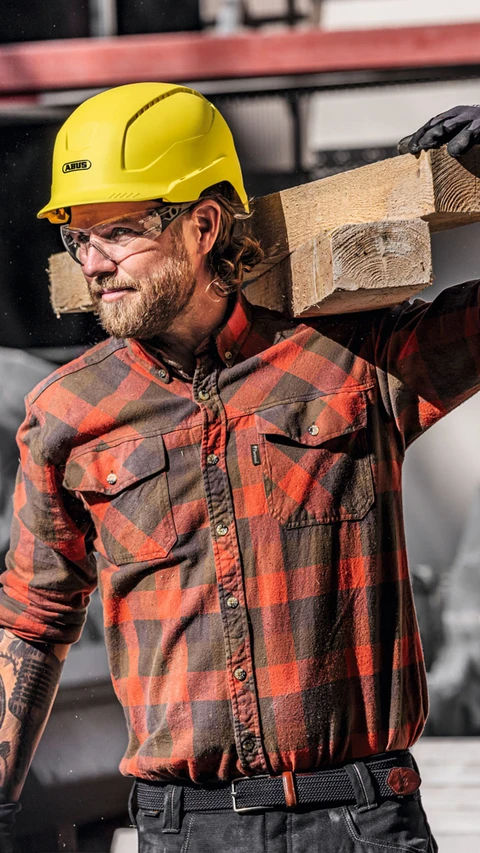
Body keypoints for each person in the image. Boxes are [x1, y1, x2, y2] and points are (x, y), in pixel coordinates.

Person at [0, 84, 478, 853]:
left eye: (118, 231)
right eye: (76, 239)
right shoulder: (68, 413)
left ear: (204, 223)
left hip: (360, 822)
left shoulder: (353, 359)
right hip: (184, 829)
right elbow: (32, 619)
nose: (94, 263)